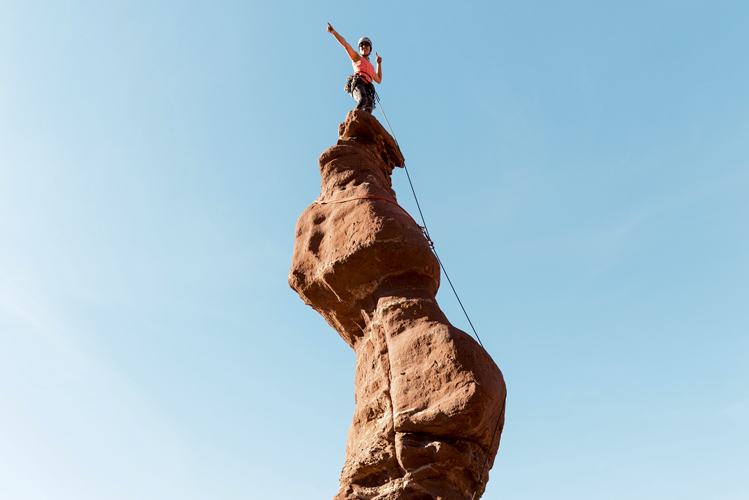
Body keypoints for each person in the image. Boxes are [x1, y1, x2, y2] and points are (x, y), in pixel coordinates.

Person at [327, 22, 382, 114]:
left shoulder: (371, 68)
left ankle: (363, 126)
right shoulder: (357, 57)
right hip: (358, 83)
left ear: (370, 48)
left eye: (366, 44)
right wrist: (334, 32)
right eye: (362, 45)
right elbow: (345, 45)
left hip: (367, 88)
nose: (364, 46)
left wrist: (378, 64)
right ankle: (354, 118)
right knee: (362, 100)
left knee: (369, 108)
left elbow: (379, 80)